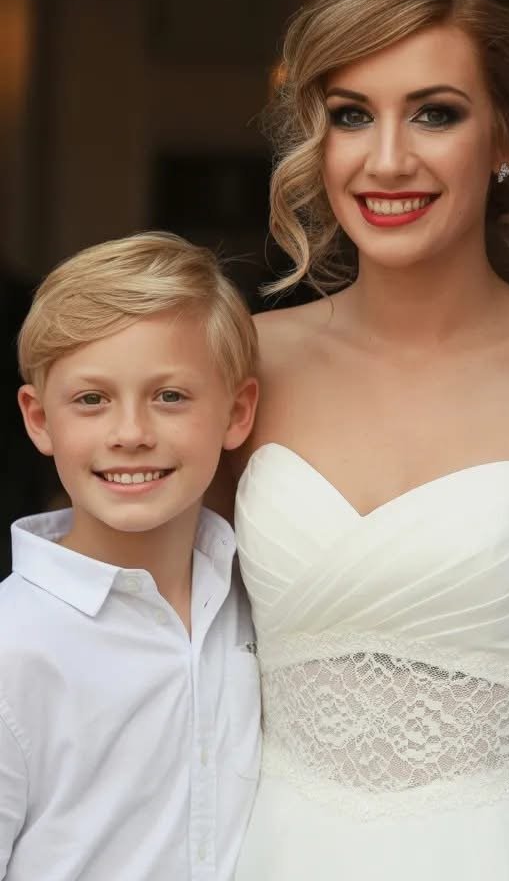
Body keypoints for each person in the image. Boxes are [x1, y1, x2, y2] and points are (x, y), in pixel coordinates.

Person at [231, 0, 509, 880]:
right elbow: (144, 633)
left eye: (435, 113)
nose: (387, 160)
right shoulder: (243, 363)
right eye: (351, 115)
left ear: (508, 136)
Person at [0, 232, 261, 880]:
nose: (131, 434)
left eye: (170, 396)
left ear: (237, 411)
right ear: (39, 420)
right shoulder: (13, 646)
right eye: (91, 399)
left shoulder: (256, 603)